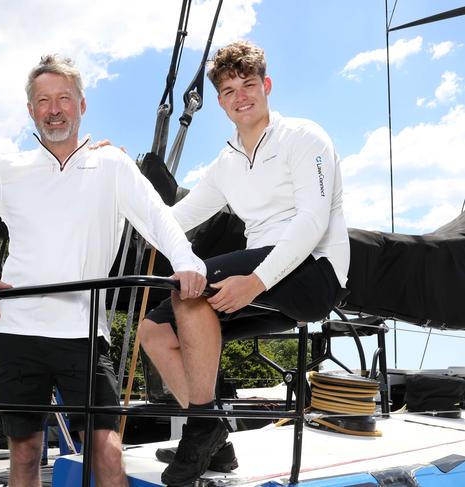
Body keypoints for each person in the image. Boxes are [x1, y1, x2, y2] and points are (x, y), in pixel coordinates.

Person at [0, 54, 207, 487]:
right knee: (25, 456)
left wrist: (188, 262)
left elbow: (160, 219)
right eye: (43, 100)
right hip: (17, 330)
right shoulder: (8, 169)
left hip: (83, 334)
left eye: (64, 98)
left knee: (107, 451)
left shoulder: (114, 166)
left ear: (82, 105)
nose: (54, 109)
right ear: (31, 110)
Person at [139, 40, 350, 486]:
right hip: (261, 280)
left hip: (313, 273)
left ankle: (199, 432)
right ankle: (213, 432)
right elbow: (176, 218)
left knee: (189, 288)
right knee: (154, 332)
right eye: (229, 90)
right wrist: (117, 181)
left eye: (248, 84)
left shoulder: (304, 137)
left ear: (266, 85)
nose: (241, 96)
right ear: (220, 101)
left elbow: (312, 220)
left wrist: (254, 282)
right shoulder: (226, 163)